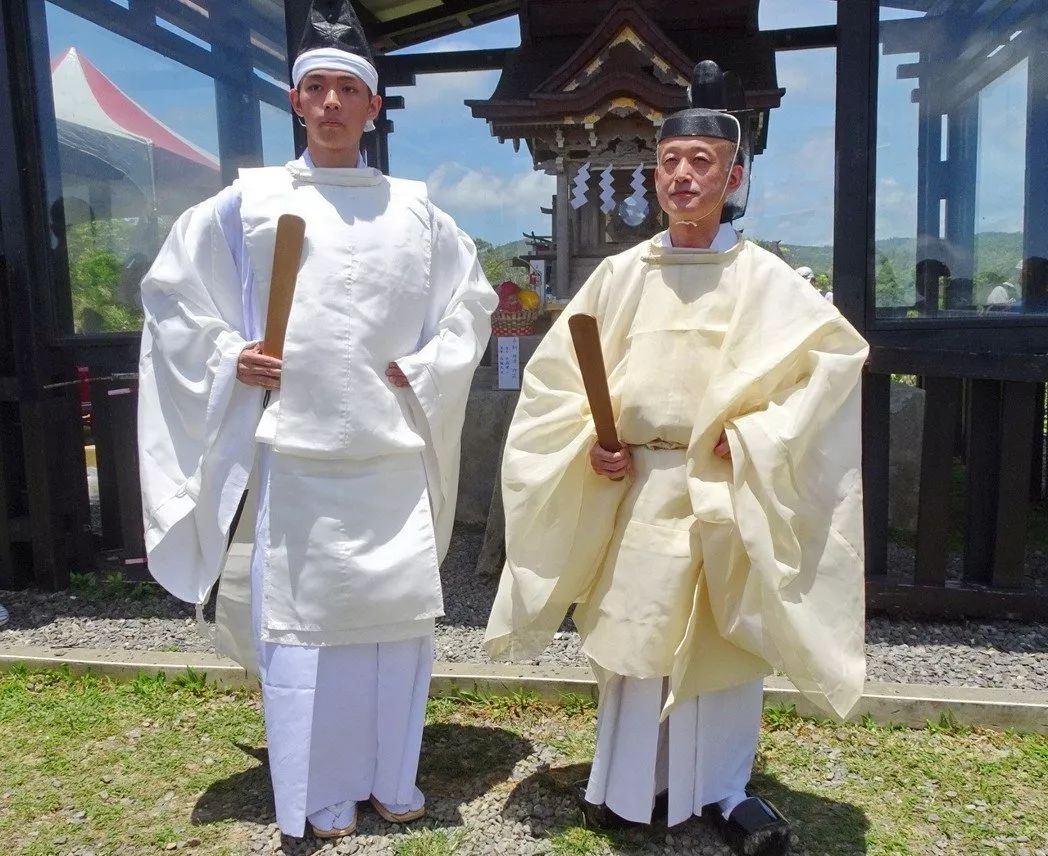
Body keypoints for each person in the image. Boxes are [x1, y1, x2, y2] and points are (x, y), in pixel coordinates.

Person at [484, 60, 868, 856]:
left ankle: (720, 791)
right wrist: (595, 442)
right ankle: (623, 785)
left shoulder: (766, 280)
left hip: (730, 487)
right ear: (653, 176)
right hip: (645, 490)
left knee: (721, 645)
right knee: (633, 637)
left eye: (703, 164)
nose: (684, 177)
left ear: (734, 177)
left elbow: (831, 366)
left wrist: (761, 434)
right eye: (670, 163)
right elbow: (559, 381)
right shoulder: (623, 276)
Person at [137, 0, 496, 840]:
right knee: (306, 637)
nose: (333, 105)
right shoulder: (247, 204)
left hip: (389, 450)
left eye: (349, 91)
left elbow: (469, 307)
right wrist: (232, 353)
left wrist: (428, 367)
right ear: (297, 103)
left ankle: (389, 775)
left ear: (375, 108)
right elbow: (174, 298)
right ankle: (318, 786)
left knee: (395, 624)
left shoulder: (420, 212)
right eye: (318, 90)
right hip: (294, 455)